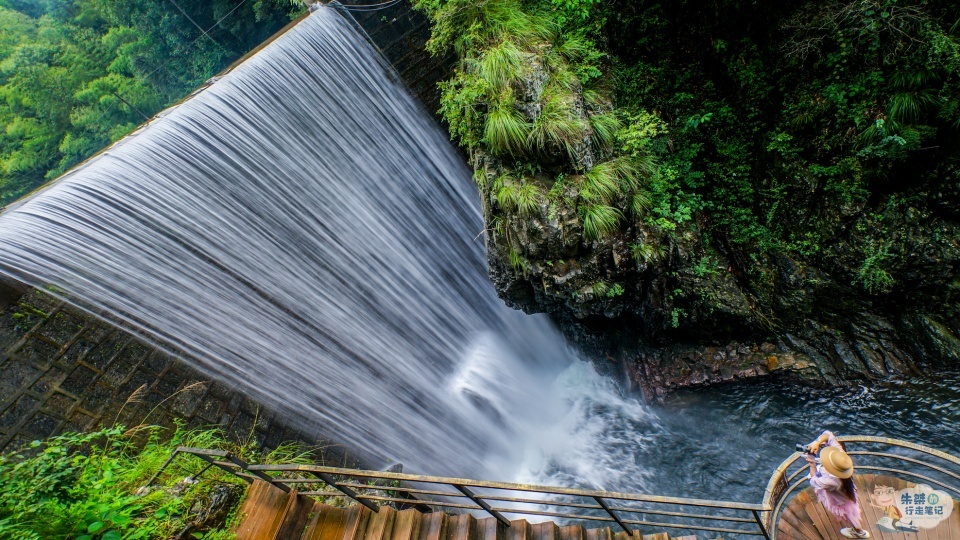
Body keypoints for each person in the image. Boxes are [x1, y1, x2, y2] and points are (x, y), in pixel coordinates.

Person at [804, 430, 870, 539]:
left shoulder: (831, 481)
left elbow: (814, 481)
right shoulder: (841, 456)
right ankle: (858, 530)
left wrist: (812, 463)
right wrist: (817, 442)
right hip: (848, 491)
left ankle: (859, 532)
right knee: (852, 511)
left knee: (850, 516)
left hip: (840, 501)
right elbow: (828, 434)